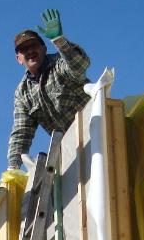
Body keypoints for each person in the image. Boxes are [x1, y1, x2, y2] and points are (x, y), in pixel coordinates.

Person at [7, 9, 91, 169]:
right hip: (73, 148)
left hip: (97, 127)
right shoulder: (22, 93)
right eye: (24, 49)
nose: (30, 51)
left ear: (44, 48)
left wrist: (59, 40)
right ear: (19, 59)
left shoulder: (59, 64)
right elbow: (21, 132)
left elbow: (80, 65)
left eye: (34, 46)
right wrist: (12, 170)